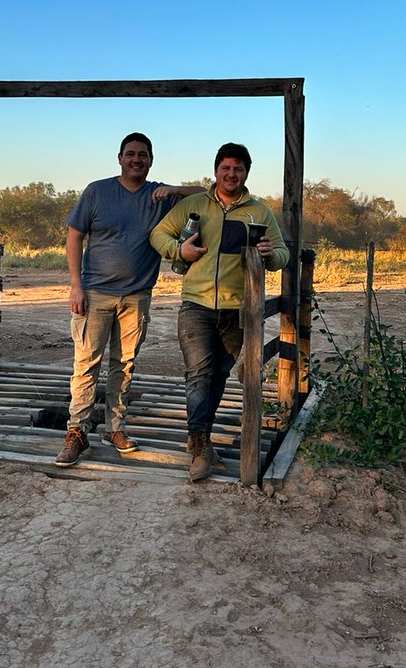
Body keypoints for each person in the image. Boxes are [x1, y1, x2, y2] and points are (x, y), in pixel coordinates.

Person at [55, 133, 200, 467]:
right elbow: (75, 237)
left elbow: (206, 194)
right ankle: (76, 430)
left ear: (151, 160)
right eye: (131, 154)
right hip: (95, 293)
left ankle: (115, 428)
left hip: (136, 296)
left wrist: (176, 191)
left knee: (125, 364)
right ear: (119, 157)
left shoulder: (159, 195)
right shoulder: (97, 191)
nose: (137, 160)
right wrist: (75, 286)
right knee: (86, 362)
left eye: (143, 155)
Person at [150, 142, 289, 481]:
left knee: (219, 376)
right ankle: (198, 445)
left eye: (238, 169)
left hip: (237, 309)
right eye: (225, 168)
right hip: (195, 305)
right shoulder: (195, 205)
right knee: (198, 375)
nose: (231, 174)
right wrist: (179, 250)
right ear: (216, 171)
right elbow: (158, 234)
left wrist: (270, 254)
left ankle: (202, 439)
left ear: (246, 174)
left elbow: (282, 254)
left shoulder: (259, 212)